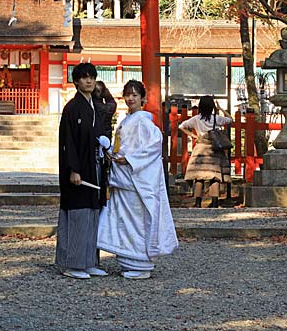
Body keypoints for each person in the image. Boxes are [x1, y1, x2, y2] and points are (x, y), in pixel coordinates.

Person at [97, 80, 178, 280]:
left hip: (135, 179)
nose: (131, 99)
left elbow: (154, 146)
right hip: (123, 177)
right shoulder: (127, 120)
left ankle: (141, 262)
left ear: (143, 98)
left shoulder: (143, 121)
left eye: (135, 95)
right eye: (128, 95)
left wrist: (131, 159)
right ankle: (129, 260)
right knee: (125, 221)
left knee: (136, 221)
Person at [55, 62, 108, 279]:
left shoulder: (95, 106)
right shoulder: (72, 108)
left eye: (92, 77)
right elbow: (69, 142)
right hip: (78, 169)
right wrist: (73, 169)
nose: (89, 81)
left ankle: (89, 261)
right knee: (78, 214)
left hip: (94, 165)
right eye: (84, 77)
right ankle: (72, 264)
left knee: (92, 214)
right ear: (76, 82)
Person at [179, 95, 233, 208]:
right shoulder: (216, 118)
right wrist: (221, 109)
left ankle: (198, 202)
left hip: (200, 149)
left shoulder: (196, 119)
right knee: (214, 177)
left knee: (199, 177)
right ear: (212, 106)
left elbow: (182, 126)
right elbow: (230, 119)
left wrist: (193, 135)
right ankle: (214, 202)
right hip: (214, 150)